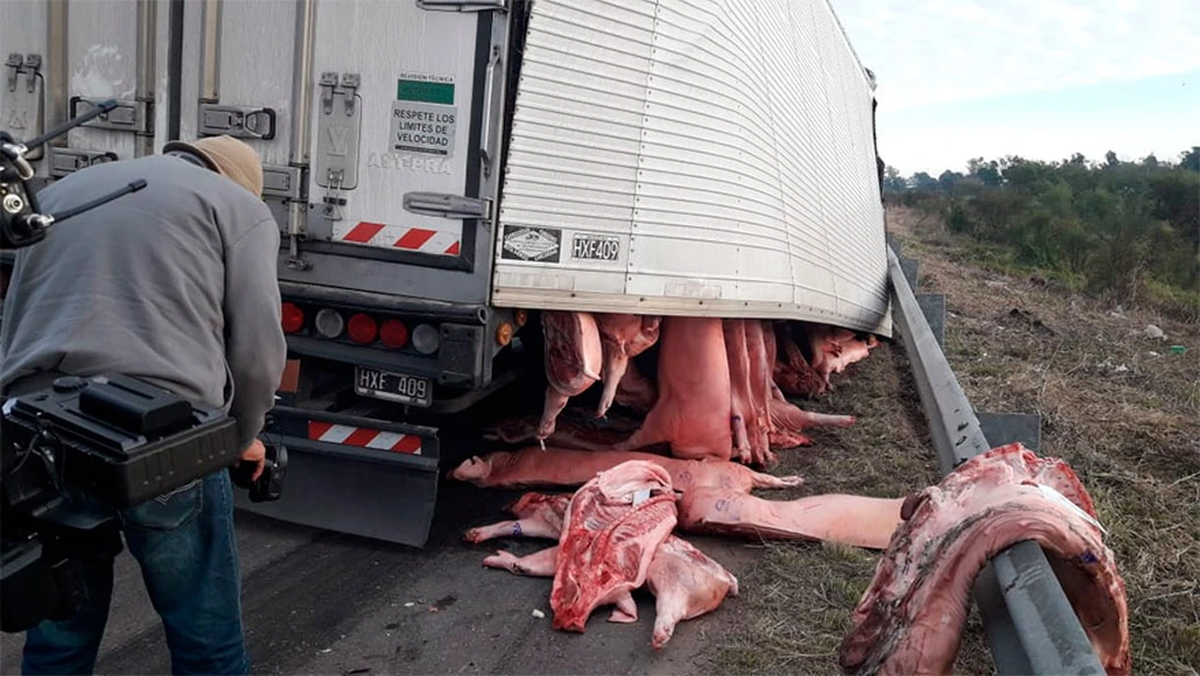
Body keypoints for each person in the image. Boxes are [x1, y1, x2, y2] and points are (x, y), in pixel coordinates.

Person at [0, 135, 287, 675]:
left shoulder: (65, 190)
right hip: (165, 440)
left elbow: (17, 318)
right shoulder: (238, 208)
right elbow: (256, 354)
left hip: (47, 433)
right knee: (206, 640)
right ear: (237, 182)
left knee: (60, 634)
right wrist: (238, 438)